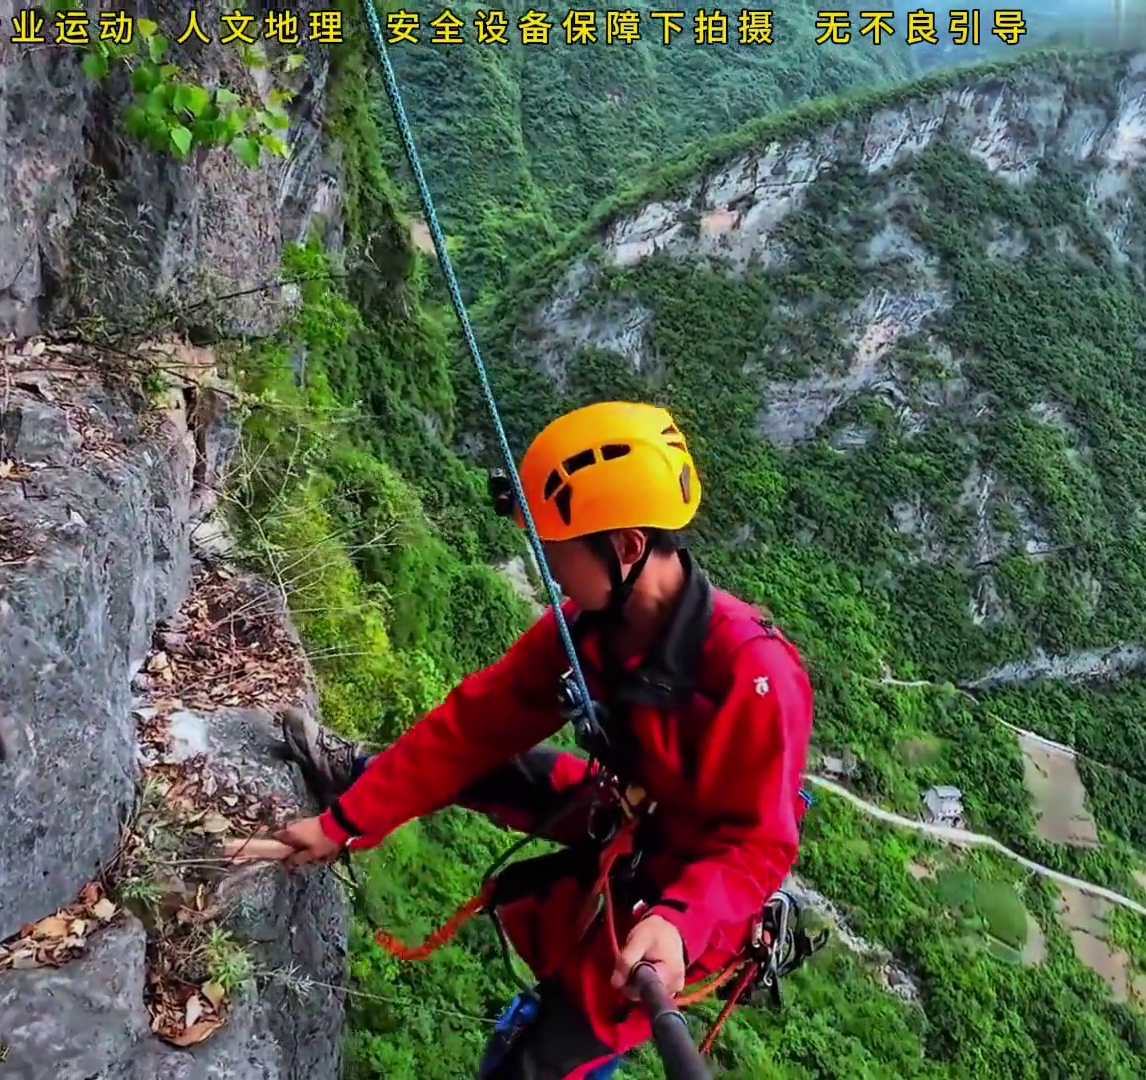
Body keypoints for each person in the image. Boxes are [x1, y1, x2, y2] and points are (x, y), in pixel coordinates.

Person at [270, 401, 816, 1080]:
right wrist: (345, 824)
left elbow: (757, 844)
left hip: (698, 890)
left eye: (558, 551)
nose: (550, 567)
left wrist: (678, 923)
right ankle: (354, 780)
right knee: (501, 768)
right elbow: (476, 726)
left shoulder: (754, 677)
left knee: (535, 1062)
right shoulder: (589, 626)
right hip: (627, 812)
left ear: (624, 549)